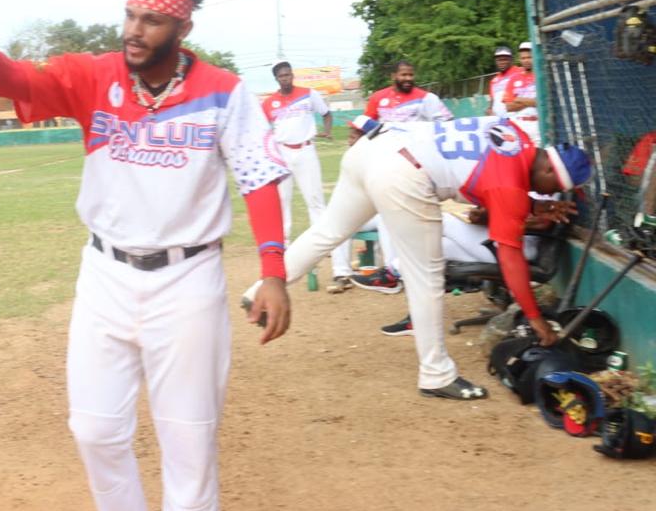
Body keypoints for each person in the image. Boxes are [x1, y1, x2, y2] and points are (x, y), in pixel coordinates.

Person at [0, 0, 291, 511]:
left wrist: (273, 271)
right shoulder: (93, 76)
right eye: (129, 15)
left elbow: (258, 178)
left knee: (189, 444)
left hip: (188, 280)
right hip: (105, 276)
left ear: (183, 28)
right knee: (95, 430)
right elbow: (10, 80)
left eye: (151, 20)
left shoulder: (224, 91)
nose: (134, 30)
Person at [243, 116, 592, 400]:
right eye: (554, 188)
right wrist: (535, 318)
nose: (549, 193)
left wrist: (532, 206)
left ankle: (258, 292)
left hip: (374, 148)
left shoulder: (514, 133)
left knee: (327, 231)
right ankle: (436, 373)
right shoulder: (511, 185)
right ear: (550, 173)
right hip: (405, 172)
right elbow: (510, 255)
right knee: (426, 274)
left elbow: (489, 176)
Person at [377, 194, 572, 336]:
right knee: (438, 248)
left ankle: (393, 272)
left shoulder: (545, 179)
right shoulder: (524, 171)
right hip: (497, 241)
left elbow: (542, 223)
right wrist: (484, 214)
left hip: (519, 247)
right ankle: (416, 318)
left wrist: (490, 217)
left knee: (441, 220)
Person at [346, 61, 453, 294]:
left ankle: (397, 273)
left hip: (416, 165)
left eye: (411, 74)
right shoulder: (379, 98)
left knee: (403, 216)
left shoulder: (426, 98)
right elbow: (365, 125)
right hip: (388, 163)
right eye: (403, 74)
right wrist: (358, 137)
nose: (408, 78)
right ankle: (389, 270)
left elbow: (447, 124)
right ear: (393, 75)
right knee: (386, 215)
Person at [262, 61, 353, 291]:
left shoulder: (308, 94)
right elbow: (261, 130)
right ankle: (281, 261)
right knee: (282, 205)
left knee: (317, 204)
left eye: (288, 74)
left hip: (305, 150)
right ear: (276, 79)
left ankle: (337, 264)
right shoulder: (269, 103)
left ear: (292, 75)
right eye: (281, 76)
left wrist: (328, 131)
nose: (286, 78)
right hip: (282, 153)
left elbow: (326, 114)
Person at [501, 42, 539, 144]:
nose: (526, 60)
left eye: (529, 57)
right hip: (518, 124)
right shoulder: (514, 78)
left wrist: (519, 99)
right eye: (523, 58)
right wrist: (532, 102)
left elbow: (542, 102)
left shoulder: (541, 76)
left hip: (538, 124)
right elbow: (509, 107)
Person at [485, 45, 517, 116]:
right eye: (499, 60)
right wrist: (489, 110)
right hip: (498, 120)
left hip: (515, 118)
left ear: (511, 60)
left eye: (505, 59)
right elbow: (492, 101)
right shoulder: (494, 81)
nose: (502, 62)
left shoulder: (520, 72)